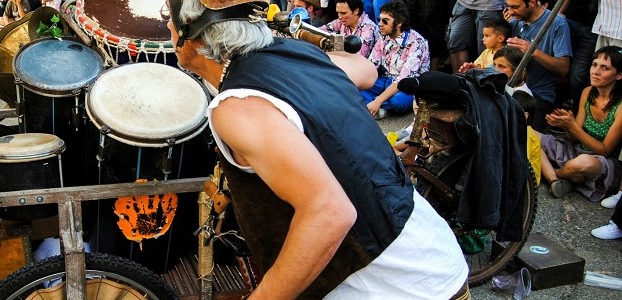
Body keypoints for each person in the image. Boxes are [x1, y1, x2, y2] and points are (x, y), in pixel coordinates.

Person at [166, 0, 468, 298]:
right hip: (434, 255)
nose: (167, 25)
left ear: (192, 36)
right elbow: (366, 71)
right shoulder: (298, 53)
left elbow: (330, 213)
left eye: (171, 17)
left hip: (395, 286)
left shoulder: (236, 107)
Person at [540, 46, 622, 200]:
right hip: (576, 151)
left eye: (605, 68)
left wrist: (572, 127)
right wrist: (566, 124)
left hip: (600, 163)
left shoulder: (620, 106)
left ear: (619, 75)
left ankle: (555, 173)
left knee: (582, 163)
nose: (595, 71)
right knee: (527, 133)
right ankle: (563, 178)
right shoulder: (588, 91)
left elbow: (604, 150)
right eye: (594, 65)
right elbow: (573, 139)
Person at [503, 0, 572, 132]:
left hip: (538, 95)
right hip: (511, 89)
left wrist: (533, 51)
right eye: (508, 7)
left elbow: (564, 68)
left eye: (515, 7)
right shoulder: (514, 22)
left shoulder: (557, 24)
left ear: (532, 3)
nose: (510, 12)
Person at [362, 0, 430, 119]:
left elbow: (402, 80)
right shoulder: (384, 37)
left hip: (408, 86)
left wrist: (378, 100)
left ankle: (370, 105)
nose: (380, 24)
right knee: (356, 88)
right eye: (379, 19)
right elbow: (371, 65)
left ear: (399, 23)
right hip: (386, 79)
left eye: (385, 21)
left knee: (397, 102)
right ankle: (373, 107)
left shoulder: (416, 42)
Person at [447, 0, 504, 73]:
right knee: (455, 44)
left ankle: (485, 82)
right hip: (463, 3)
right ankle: (459, 81)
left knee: (486, 49)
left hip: (490, 6)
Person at [514, 91, 542, 185]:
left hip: (528, 183)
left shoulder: (527, 134)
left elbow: (523, 163)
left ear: (525, 115)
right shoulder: (516, 127)